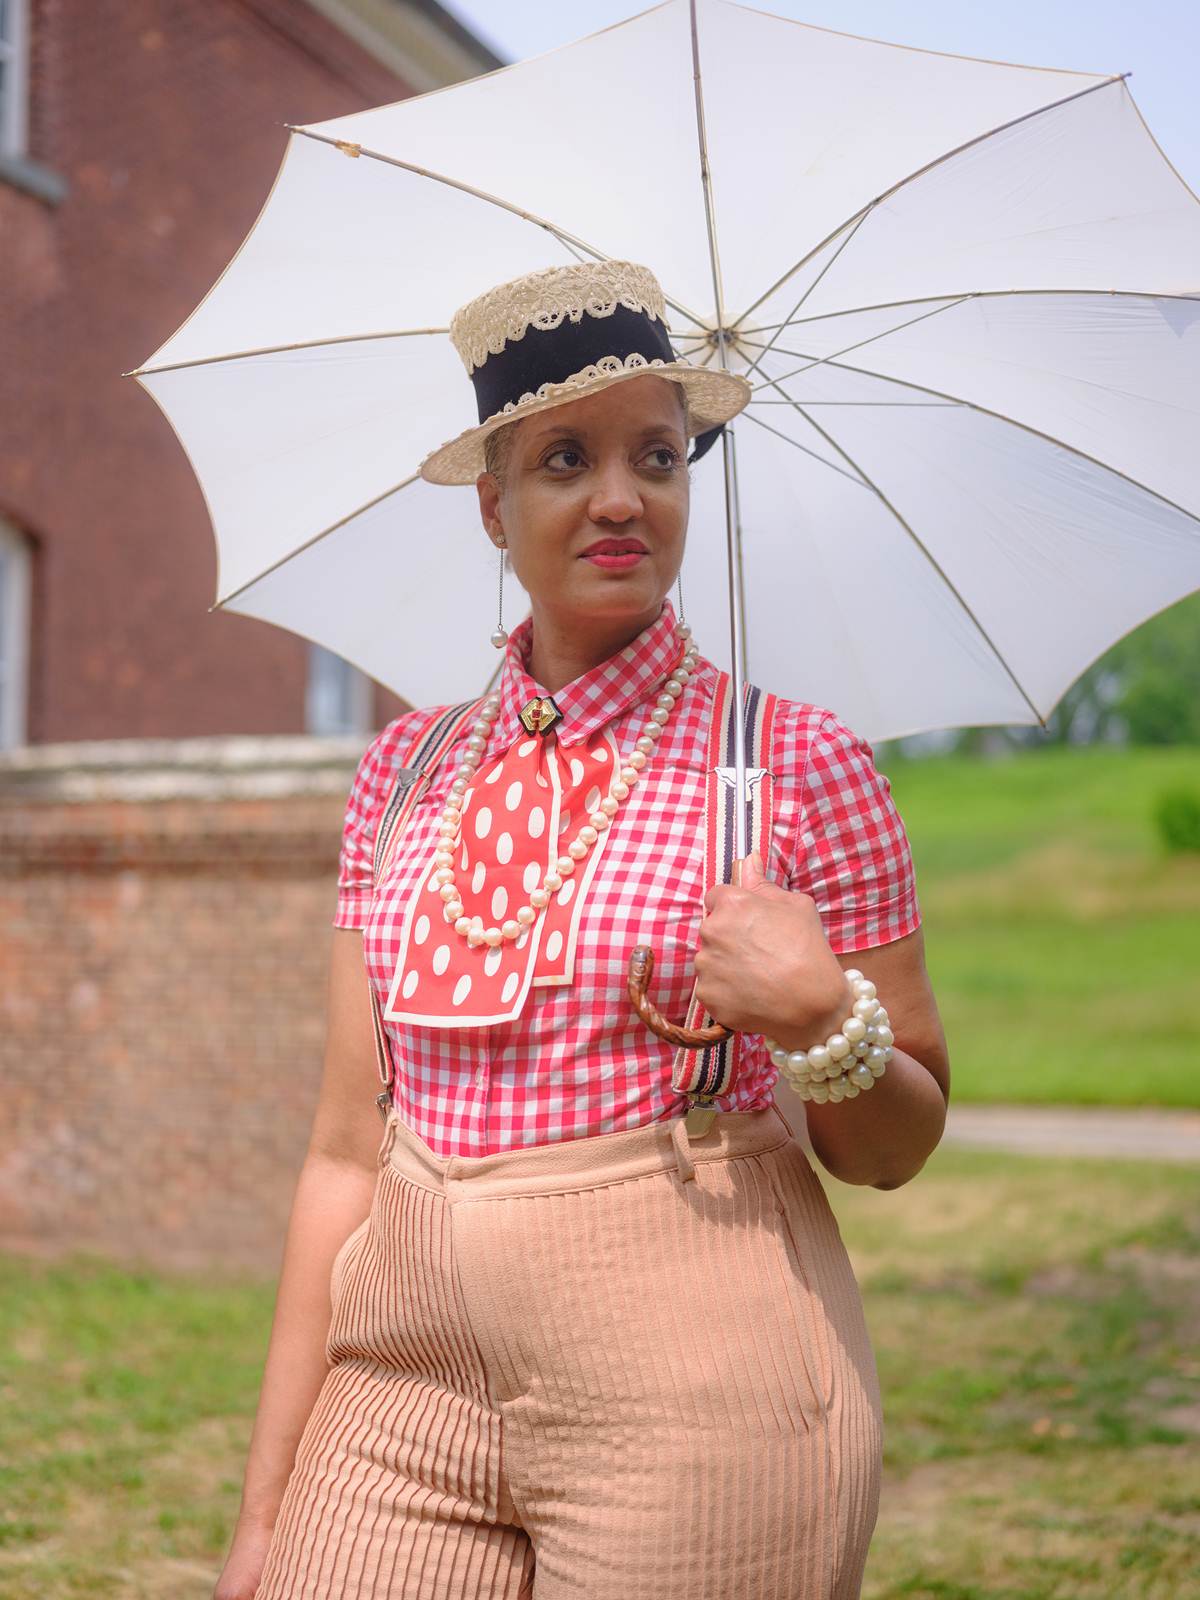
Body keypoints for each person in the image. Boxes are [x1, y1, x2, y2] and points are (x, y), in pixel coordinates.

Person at [215, 261, 949, 1600]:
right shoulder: (405, 772)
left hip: (702, 1400)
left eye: (658, 456)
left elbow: (898, 1145)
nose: (622, 496)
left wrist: (818, 1019)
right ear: (495, 507)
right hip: (404, 1393)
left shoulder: (795, 766)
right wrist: (266, 1511)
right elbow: (340, 1157)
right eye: (568, 457)